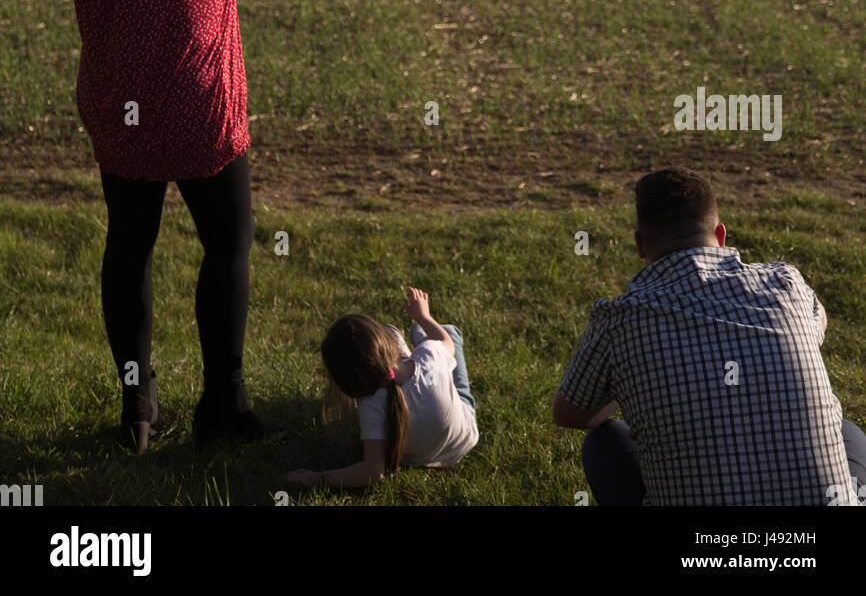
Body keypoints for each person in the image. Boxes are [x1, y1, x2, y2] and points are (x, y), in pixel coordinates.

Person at [54, 0, 272, 452]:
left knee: (129, 249)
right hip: (193, 106)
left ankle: (137, 407)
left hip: (117, 101)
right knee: (227, 247)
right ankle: (222, 406)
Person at [553, 167, 866, 506]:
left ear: (640, 245)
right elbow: (819, 319)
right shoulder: (785, 285)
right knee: (846, 432)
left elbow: (572, 414)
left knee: (605, 441)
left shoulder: (619, 320)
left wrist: (630, 375)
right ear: (721, 234)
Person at [281, 288, 478, 488]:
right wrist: (423, 316)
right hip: (464, 438)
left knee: (412, 335)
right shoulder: (429, 354)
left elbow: (373, 471)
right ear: (386, 347)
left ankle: (401, 350)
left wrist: (316, 478)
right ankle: (401, 350)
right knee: (443, 331)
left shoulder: (372, 406)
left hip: (415, 458)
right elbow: (447, 344)